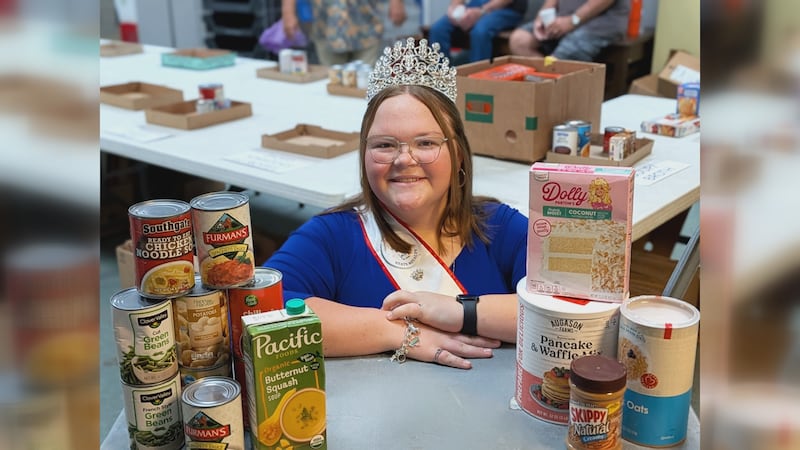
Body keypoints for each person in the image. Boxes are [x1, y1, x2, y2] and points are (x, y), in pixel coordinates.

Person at [264, 38, 528, 369]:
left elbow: (569, 309)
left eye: (426, 142)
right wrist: (394, 331)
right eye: (385, 145)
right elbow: (261, 311)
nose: (404, 159)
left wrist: (461, 312)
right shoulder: (332, 235)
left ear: (458, 155)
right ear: (364, 155)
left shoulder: (501, 227)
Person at [281, 0, 408, 66]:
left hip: (366, 23)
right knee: (331, 82)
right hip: (327, 24)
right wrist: (288, 13)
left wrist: (397, 2)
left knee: (365, 82)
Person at [508, 0, 628, 62]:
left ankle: (559, 96)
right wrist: (543, 15)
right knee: (519, 40)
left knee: (562, 57)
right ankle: (547, 85)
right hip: (562, 17)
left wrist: (572, 21)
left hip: (600, 23)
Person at [428, 0, 528, 63]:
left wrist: (482, 11)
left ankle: (476, 82)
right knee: (438, 29)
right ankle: (440, 79)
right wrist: (454, 8)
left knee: (480, 32)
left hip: (505, 8)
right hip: (475, 5)